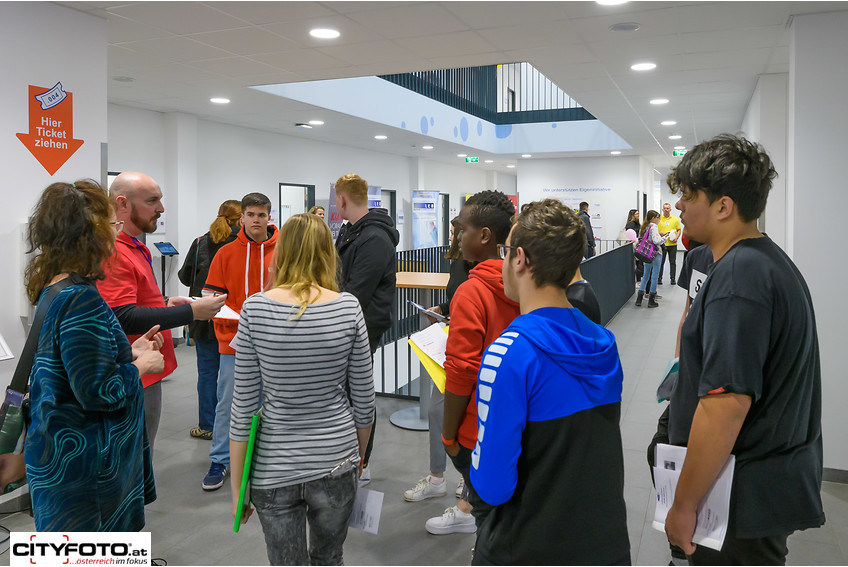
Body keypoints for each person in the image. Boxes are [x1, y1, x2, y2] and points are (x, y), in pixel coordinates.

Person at [663, 134, 824, 564]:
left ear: (723, 206)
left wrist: (684, 505)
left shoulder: (739, 277)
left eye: (688, 195)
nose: (679, 206)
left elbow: (726, 404)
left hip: (741, 496)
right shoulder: (761, 261)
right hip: (752, 489)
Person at [470, 198, 630, 565]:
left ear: (520, 259)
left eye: (505, 251)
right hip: (604, 545)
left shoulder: (508, 354)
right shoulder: (604, 342)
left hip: (528, 547)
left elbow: (493, 487)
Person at [229, 213, 375, 566]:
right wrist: (358, 458)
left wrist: (237, 490)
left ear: (282, 251)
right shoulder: (347, 307)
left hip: (273, 467)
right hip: (336, 458)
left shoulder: (255, 308)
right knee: (329, 558)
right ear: (328, 253)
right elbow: (364, 401)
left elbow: (243, 406)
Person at [24, 180, 163, 531]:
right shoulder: (80, 298)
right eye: (113, 225)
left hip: (65, 458)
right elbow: (98, 391)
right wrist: (141, 365)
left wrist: (127, 351)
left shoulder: (56, 287)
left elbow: (71, 364)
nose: (116, 232)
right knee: (97, 553)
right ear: (91, 234)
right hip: (90, 471)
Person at [98, 172, 226, 451]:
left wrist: (165, 303)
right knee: (135, 457)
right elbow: (121, 316)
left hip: (147, 369)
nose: (161, 208)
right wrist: (191, 313)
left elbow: (131, 300)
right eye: (152, 201)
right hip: (133, 370)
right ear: (122, 203)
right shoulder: (115, 251)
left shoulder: (135, 246)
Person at [433, 190, 520, 535]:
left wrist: (449, 436)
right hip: (516, 422)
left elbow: (461, 370)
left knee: (489, 525)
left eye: (463, 229)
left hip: (475, 428)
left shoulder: (472, 291)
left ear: (484, 235)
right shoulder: (525, 285)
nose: (457, 235)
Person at [201, 192, 278, 491]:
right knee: (229, 403)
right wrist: (239, 318)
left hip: (274, 344)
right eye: (251, 214)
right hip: (233, 341)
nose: (256, 220)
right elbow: (211, 296)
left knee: (273, 402)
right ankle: (220, 459)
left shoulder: (284, 251)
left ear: (269, 217)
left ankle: (264, 458)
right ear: (242, 217)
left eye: (261, 215)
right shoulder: (225, 253)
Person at [334, 173, 399, 486]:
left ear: (342, 199)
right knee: (345, 393)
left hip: (362, 327)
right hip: (348, 323)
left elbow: (356, 290)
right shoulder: (351, 231)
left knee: (357, 395)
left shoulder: (373, 238)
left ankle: (362, 463)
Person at [404, 217, 474, 504]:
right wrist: (442, 309)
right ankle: (436, 478)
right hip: (452, 344)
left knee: (468, 415)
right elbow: (456, 299)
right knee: (437, 411)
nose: (452, 238)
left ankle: (467, 479)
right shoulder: (457, 262)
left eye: (455, 233)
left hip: (472, 349)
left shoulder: (482, 266)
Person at [178, 200, 242, 440]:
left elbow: (185, 277)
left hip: (204, 317)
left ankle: (207, 425)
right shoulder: (242, 245)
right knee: (235, 375)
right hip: (234, 320)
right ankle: (236, 426)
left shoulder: (200, 243)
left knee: (207, 373)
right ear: (241, 218)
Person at [635, 210, 664, 308]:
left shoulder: (644, 227)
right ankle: (651, 300)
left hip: (646, 254)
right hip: (655, 254)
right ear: (653, 218)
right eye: (658, 218)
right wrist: (664, 238)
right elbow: (656, 241)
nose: (659, 220)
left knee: (645, 275)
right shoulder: (654, 226)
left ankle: (639, 299)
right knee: (654, 276)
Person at [657, 202, 683, 285]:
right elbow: (656, 231)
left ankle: (672, 278)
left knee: (672, 262)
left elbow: (679, 230)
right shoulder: (659, 219)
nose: (666, 210)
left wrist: (676, 237)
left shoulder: (675, 219)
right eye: (664, 208)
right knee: (661, 262)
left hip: (672, 244)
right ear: (662, 209)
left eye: (667, 208)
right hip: (662, 244)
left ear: (670, 209)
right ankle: (659, 278)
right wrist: (661, 233)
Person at [625, 209, 643, 284]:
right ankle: (638, 281)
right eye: (636, 214)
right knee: (638, 263)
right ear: (632, 215)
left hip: (637, 244)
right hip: (633, 245)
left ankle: (638, 280)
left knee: (639, 263)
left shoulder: (637, 223)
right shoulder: (631, 224)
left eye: (638, 214)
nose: (638, 215)